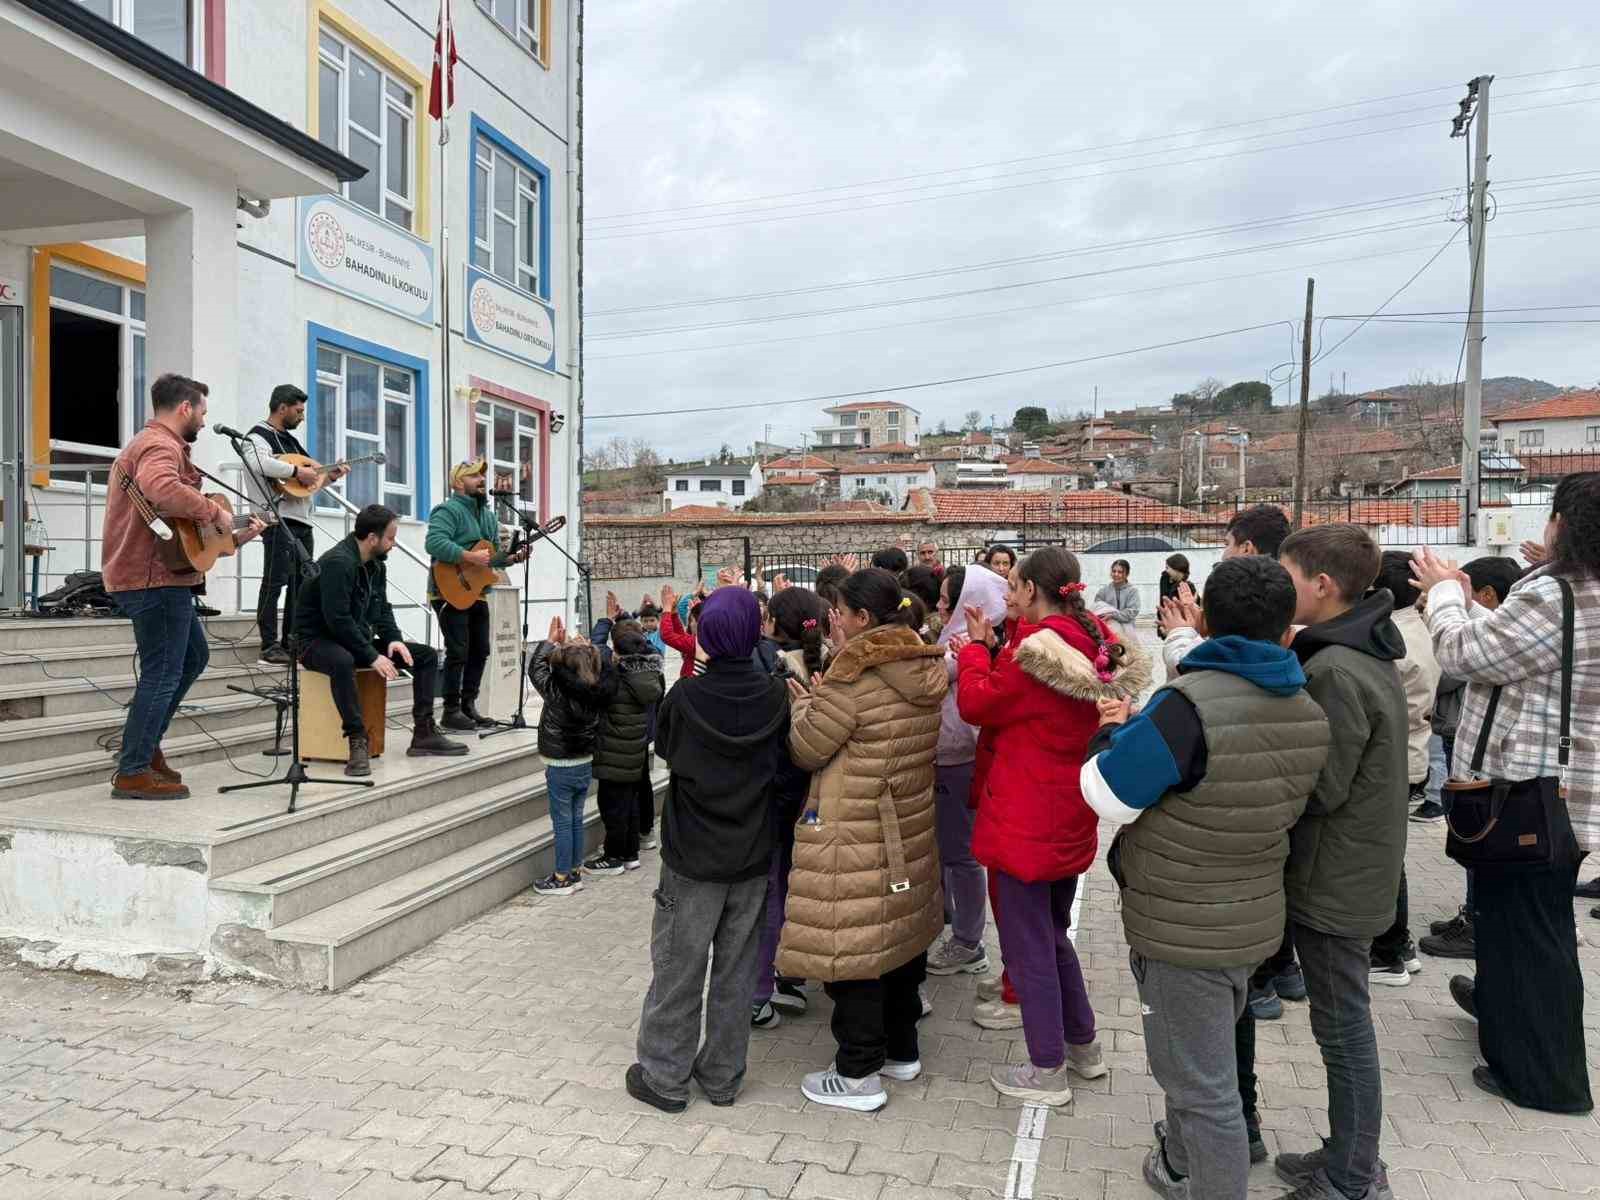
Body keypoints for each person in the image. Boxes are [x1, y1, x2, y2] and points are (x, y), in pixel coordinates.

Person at [1082, 556, 1331, 1200]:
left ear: (1206, 620)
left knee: (1202, 1088)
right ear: (1285, 631)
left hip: (1182, 926)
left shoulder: (1187, 706)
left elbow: (1110, 796)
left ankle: (1210, 1178)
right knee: (1206, 1068)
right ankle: (1183, 1165)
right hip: (1251, 917)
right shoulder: (1306, 707)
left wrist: (1111, 735)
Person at [1412, 471, 1598, 1115]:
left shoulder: (1558, 591)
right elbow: (1530, 655)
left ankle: (1542, 1079)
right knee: (1528, 923)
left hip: (1530, 790)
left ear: (1567, 526)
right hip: (1570, 791)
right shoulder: (1580, 590)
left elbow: (1466, 655)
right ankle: (1501, 1014)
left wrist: (1443, 597)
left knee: (1531, 933)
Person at [955, 547, 1150, 1105]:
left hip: (1024, 819)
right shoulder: (1094, 647)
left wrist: (974, 654)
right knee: (1052, 936)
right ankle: (1082, 1045)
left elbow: (976, 704)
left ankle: (1046, 1069)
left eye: (1014, 584)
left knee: (1028, 945)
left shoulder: (1036, 657)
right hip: (1068, 813)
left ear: (1036, 589)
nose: (1008, 593)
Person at [1272, 523, 1408, 1200]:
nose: (1279, 586)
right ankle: (1345, 1152)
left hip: (1336, 877)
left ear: (1323, 586)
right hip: (1355, 866)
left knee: (1343, 1028)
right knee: (1340, 1024)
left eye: (1288, 574)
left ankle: (1355, 1176)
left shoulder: (1334, 669)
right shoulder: (1356, 647)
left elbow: (1321, 786)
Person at [780, 569, 948, 1113]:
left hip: (855, 833)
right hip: (906, 828)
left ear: (863, 620)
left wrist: (805, 701)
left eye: (840, 613)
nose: (834, 621)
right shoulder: (921, 665)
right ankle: (901, 1050)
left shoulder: (853, 680)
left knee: (853, 949)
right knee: (898, 940)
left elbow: (807, 749)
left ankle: (857, 1074)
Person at [627, 588, 790, 1113]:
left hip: (693, 856)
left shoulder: (686, 698)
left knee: (678, 965)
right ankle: (722, 1076)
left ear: (708, 636)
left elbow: (666, 748)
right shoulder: (775, 696)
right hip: (752, 855)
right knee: (736, 971)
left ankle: (664, 1075)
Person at [102, 374, 265, 799]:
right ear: (185, 409)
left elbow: (185, 536)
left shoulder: (158, 446)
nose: (206, 421)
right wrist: (214, 509)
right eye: (203, 412)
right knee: (164, 670)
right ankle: (133, 769)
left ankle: (146, 742)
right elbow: (162, 491)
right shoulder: (159, 446)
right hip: (152, 579)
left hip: (162, 575)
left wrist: (234, 534)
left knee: (193, 656)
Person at [296, 504, 466, 776]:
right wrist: (372, 655)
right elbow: (337, 620)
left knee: (425, 656)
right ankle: (357, 740)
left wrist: (393, 639)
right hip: (315, 641)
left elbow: (381, 608)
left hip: (351, 638)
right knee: (343, 660)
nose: (394, 544)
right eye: (390, 538)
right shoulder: (338, 563)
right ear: (372, 538)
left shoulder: (375, 565)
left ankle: (423, 733)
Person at [1416, 556, 1526, 961]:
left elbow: (1453, 660)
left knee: (1480, 841)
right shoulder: (1508, 628)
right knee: (1474, 843)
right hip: (1478, 755)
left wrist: (1444, 600)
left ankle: (1479, 927)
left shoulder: (1501, 639)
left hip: (1496, 769)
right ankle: (1474, 917)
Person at [750, 587, 832, 1029]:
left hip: (777, 791)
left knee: (770, 891)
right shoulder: (827, 661)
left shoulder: (773, 666)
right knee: (796, 887)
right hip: (810, 794)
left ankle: (762, 989)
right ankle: (794, 975)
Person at [926, 562, 1008, 976]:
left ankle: (968, 942)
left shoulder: (960, 646)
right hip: (949, 759)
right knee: (952, 851)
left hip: (958, 760)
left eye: (946, 599)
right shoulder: (954, 639)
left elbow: (929, 681)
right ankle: (958, 928)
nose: (939, 605)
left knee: (961, 856)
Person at [1365, 552, 1440, 988]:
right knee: (1391, 854)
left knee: (1383, 858)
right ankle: (1398, 946)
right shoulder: (1417, 627)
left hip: (1395, 758)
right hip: (1412, 755)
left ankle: (1389, 951)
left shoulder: (1393, 639)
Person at [243, 384, 344, 666]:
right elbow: (257, 463)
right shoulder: (257, 437)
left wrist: (329, 476)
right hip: (276, 519)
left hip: (301, 521)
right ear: (282, 407)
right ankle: (269, 644)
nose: (301, 416)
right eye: (298, 411)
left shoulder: (293, 444)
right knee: (275, 581)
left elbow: (303, 485)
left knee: (301, 585)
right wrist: (296, 470)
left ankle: (292, 641)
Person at [425, 459, 521, 731]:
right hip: (447, 590)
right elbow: (433, 543)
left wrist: (512, 558)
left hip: (477, 592)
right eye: (473, 475)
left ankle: (468, 706)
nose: (481, 479)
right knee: (458, 650)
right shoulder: (447, 510)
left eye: (482, 475)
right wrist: (469, 556)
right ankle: (450, 710)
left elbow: (492, 561)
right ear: (458, 483)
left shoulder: (488, 516)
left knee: (481, 649)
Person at [528, 618, 616, 895]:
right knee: (576, 817)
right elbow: (601, 659)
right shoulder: (598, 689)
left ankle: (563, 876)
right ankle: (575, 868)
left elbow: (535, 668)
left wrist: (551, 641)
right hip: (584, 762)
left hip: (561, 765)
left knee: (563, 821)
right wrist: (587, 649)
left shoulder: (556, 691)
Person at [584, 622, 664, 877]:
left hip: (614, 751)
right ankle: (630, 854)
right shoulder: (648, 676)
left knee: (612, 807)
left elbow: (597, 654)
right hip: (634, 749)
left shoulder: (616, 678)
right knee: (628, 805)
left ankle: (613, 857)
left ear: (617, 652)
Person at [1094, 558, 1140, 640]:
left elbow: (1132, 611)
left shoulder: (1132, 591)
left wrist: (1113, 615)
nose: (1116, 574)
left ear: (1127, 574)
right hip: (1108, 630)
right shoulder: (1103, 591)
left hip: (1127, 631)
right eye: (1114, 571)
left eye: (1120, 572)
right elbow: (1098, 608)